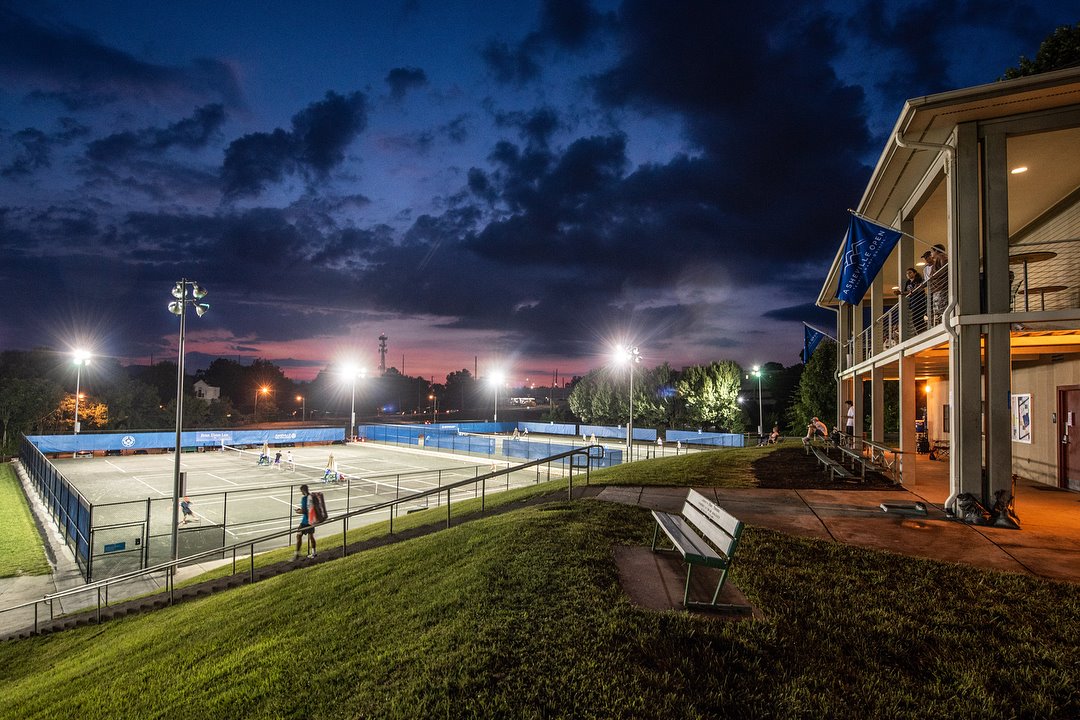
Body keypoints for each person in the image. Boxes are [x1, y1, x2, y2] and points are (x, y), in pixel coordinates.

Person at [897, 266, 927, 334]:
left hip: (919, 300)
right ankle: (920, 332)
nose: (908, 274)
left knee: (917, 317)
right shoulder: (908, 282)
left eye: (910, 273)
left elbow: (920, 287)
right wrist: (900, 293)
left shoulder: (919, 279)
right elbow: (906, 292)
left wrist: (913, 290)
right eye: (907, 273)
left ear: (915, 273)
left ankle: (923, 331)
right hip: (913, 302)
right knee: (915, 318)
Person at [294, 484, 316, 560]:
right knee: (311, 536)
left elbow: (304, 511)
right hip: (312, 520)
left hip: (305, 521)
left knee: (298, 535)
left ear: (303, 491)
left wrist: (298, 511)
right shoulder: (312, 497)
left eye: (301, 491)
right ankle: (314, 552)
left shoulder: (304, 499)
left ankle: (297, 553)